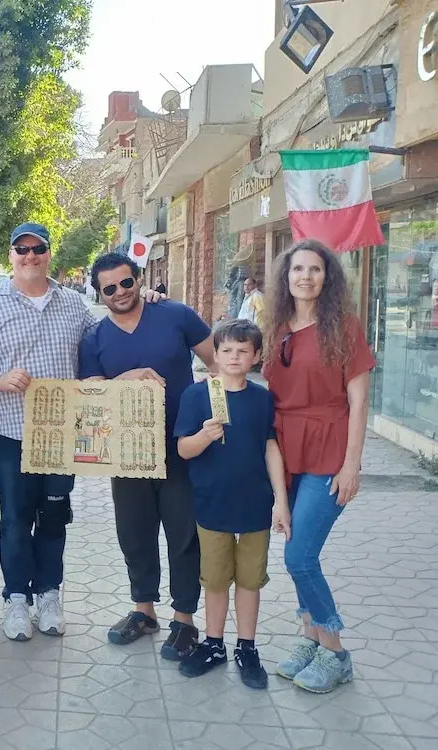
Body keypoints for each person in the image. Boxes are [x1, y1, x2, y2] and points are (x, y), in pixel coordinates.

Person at [0, 223, 163, 641]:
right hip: (11, 432)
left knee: (54, 517)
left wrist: (146, 302)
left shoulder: (72, 304)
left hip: (62, 434)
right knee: (15, 519)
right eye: (21, 249)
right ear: (11, 256)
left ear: (48, 253)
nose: (30, 255)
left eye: (38, 248)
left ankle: (48, 594)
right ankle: (16, 599)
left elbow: (103, 343)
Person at [78, 248, 216, 662]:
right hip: (129, 452)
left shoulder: (176, 315)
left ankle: (184, 619)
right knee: (134, 533)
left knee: (184, 534)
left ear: (139, 279)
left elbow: (219, 361)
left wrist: (217, 415)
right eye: (109, 288)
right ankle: (144, 610)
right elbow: (91, 394)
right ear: (99, 293)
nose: (120, 292)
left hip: (182, 446)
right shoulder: (95, 339)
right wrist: (128, 378)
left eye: (126, 282)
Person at [263, 239, 374, 694]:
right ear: (285, 277)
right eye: (297, 269)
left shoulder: (343, 327)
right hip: (287, 451)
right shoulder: (275, 327)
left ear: (328, 277)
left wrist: (352, 465)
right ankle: (310, 638)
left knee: (299, 556)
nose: (305, 277)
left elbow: (359, 401)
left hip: (329, 450)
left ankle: (335, 651)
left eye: (314, 269)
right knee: (296, 551)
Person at [174, 319, 290, 689]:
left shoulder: (262, 399)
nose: (234, 357)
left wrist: (281, 501)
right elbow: (183, 449)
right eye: (226, 350)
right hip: (212, 503)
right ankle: (213, 643)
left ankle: (247, 647)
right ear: (215, 354)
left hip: (255, 504)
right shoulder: (197, 396)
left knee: (250, 579)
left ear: (256, 356)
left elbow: (271, 447)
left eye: (243, 351)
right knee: (215, 579)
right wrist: (204, 436)